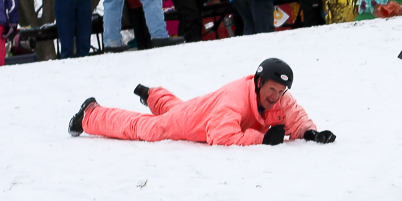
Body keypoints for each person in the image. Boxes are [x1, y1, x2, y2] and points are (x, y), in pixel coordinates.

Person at [68, 57, 335, 147]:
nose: (275, 96)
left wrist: (311, 133)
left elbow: (296, 116)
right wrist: (261, 140)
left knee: (180, 107)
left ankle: (153, 95)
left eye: (281, 91)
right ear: (258, 81)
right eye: (272, 89)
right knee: (148, 129)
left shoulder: (281, 99)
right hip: (194, 121)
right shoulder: (235, 99)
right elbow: (220, 135)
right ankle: (91, 114)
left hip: (200, 108)